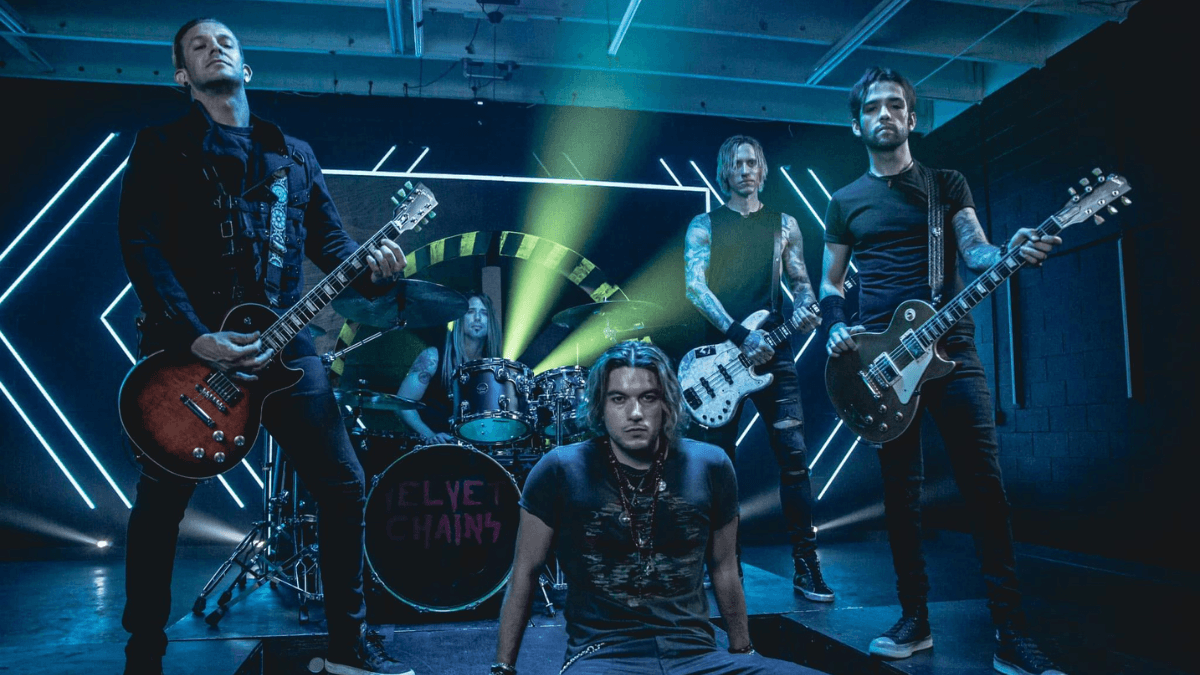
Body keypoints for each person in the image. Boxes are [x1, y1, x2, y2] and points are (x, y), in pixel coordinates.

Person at [118, 18, 413, 675]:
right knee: (161, 501)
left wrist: (377, 266)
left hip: (286, 339)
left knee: (344, 485)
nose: (214, 49)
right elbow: (142, 243)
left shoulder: (292, 155)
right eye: (198, 46)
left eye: (224, 42)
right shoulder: (162, 146)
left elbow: (332, 246)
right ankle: (144, 653)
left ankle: (348, 644)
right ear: (182, 76)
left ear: (245, 67)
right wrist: (196, 336)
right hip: (191, 352)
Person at [820, 66, 1065, 675]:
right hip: (881, 367)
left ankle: (1010, 632)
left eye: (894, 105)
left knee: (986, 490)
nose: (884, 114)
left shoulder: (945, 185)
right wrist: (835, 325)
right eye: (872, 107)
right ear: (856, 124)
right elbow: (830, 283)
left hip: (952, 354)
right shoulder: (845, 201)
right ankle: (915, 620)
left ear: (912, 118)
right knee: (900, 499)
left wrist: (1009, 250)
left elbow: (977, 251)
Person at [491, 341, 826, 675]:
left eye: (648, 397)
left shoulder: (710, 464)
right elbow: (525, 573)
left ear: (666, 403)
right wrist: (503, 669)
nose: (635, 413)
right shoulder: (560, 469)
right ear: (599, 406)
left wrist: (744, 652)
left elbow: (724, 568)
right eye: (618, 399)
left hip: (696, 656)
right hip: (603, 657)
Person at [682, 135, 831, 601]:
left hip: (775, 354)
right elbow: (695, 288)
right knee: (718, 468)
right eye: (737, 164)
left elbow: (801, 283)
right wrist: (739, 334)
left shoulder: (784, 224)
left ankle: (806, 564)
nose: (746, 170)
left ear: (762, 170)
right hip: (720, 357)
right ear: (725, 171)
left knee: (795, 461)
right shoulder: (704, 225)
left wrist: (806, 307)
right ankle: (726, 566)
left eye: (752, 163)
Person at [395, 292, 502, 443]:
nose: (477, 318)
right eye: (471, 312)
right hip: (434, 447)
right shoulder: (433, 356)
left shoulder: (493, 368)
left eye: (484, 313)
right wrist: (430, 436)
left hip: (473, 447)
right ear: (460, 317)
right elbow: (402, 405)